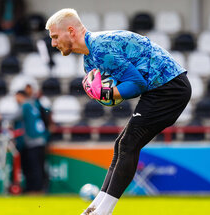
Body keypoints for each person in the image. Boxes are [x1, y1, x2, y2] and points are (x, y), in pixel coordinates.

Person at [45, 9, 191, 215]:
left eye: (55, 37)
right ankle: (96, 207)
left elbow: (137, 84)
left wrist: (108, 92)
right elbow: (116, 98)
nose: (53, 43)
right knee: (122, 144)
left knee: (129, 143)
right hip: (159, 89)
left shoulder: (101, 48)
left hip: (170, 88)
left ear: (70, 31)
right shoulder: (89, 61)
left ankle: (103, 211)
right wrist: (105, 96)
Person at [14, 90, 46, 194]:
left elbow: (15, 116)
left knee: (33, 167)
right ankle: (40, 189)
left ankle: (34, 190)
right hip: (41, 139)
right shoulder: (34, 104)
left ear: (20, 96)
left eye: (17, 97)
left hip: (32, 141)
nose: (16, 100)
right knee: (39, 167)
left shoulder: (25, 105)